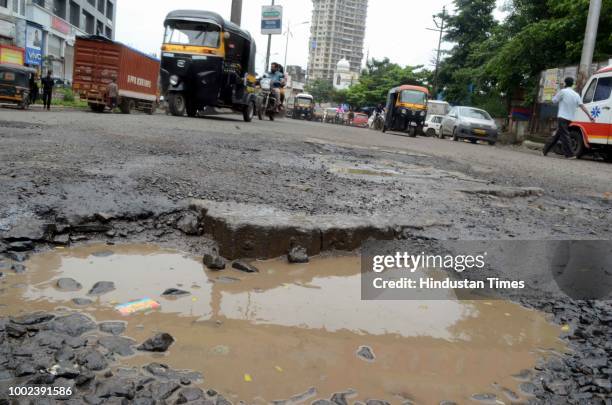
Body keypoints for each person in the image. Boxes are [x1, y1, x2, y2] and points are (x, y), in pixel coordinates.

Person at [543, 77, 594, 158]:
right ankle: (548, 151)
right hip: (569, 119)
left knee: (564, 135)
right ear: (572, 84)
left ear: (565, 83)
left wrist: (549, 98)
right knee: (560, 135)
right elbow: (582, 106)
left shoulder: (563, 92)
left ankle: (567, 154)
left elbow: (554, 101)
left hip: (562, 117)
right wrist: (590, 116)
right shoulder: (576, 94)